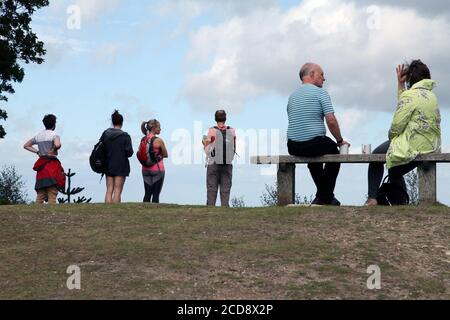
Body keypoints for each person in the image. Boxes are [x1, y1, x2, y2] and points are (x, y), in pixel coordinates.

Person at [365, 60, 441, 206]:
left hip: (413, 144)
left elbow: (397, 126)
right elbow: (405, 104)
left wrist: (392, 137)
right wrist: (400, 85)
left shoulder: (410, 96)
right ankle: (400, 203)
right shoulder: (431, 96)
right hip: (431, 145)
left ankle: (372, 198)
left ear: (410, 78)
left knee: (375, 156)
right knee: (394, 170)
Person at [287, 62, 349, 206]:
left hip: (293, 145)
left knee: (313, 157)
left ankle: (323, 196)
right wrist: (340, 141)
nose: (324, 78)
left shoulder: (292, 96)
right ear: (311, 74)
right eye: (321, 74)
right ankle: (325, 196)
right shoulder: (321, 93)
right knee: (333, 151)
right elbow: (331, 121)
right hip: (313, 143)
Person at [24, 114, 65, 204]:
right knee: (52, 192)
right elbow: (58, 145)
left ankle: (37, 213)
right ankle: (51, 214)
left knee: (40, 194)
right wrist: (53, 149)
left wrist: (37, 152)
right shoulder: (54, 135)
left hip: (42, 166)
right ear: (54, 124)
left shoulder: (38, 136)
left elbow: (26, 145)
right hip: (52, 166)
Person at [202, 110, 236, 207]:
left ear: (215, 118)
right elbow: (234, 146)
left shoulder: (212, 130)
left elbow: (207, 148)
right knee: (225, 189)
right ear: (225, 118)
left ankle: (210, 209)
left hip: (213, 163)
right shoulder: (232, 130)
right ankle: (225, 208)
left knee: (212, 188)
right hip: (227, 163)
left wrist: (204, 143)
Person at [102, 110, 133, 203]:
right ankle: (115, 212)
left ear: (112, 122)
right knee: (117, 191)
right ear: (122, 123)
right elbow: (129, 153)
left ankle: (107, 211)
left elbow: (102, 148)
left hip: (108, 164)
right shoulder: (125, 136)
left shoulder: (105, 134)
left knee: (109, 190)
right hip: (121, 165)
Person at [140, 119, 168, 203]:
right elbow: (165, 154)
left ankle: (143, 212)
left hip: (145, 169)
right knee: (155, 194)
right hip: (157, 169)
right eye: (159, 127)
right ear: (154, 128)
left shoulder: (143, 139)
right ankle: (154, 214)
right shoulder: (158, 140)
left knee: (147, 193)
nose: (160, 129)